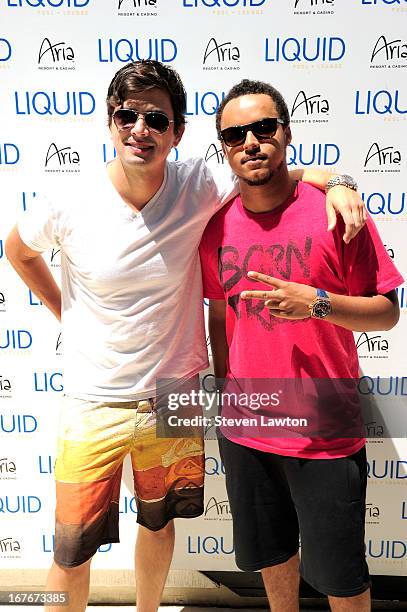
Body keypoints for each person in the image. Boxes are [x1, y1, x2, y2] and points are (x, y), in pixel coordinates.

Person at [5, 61, 367, 612]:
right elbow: (19, 251)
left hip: (175, 393)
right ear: (109, 122)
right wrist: (65, 314)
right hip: (92, 397)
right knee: (72, 550)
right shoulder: (69, 199)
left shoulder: (202, 181)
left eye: (156, 117)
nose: (140, 128)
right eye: (127, 115)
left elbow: (279, 171)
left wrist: (341, 183)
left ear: (177, 132)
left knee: (159, 524)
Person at [199, 79, 403, 612]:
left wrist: (318, 302)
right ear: (223, 146)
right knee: (271, 555)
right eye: (235, 134)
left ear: (286, 134)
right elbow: (219, 314)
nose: (250, 142)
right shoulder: (215, 228)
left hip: (324, 430)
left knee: (342, 576)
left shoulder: (337, 214)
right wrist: (228, 390)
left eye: (263, 128)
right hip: (247, 426)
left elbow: (386, 313)